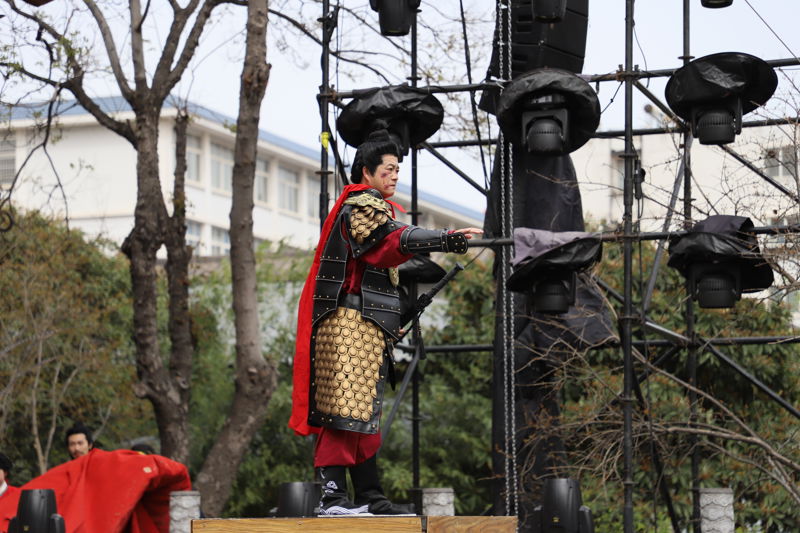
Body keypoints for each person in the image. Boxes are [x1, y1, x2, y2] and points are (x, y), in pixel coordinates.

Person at [289, 128, 482, 516]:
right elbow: (386, 245)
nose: (394, 175)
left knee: (362, 411)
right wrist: (443, 238)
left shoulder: (370, 206)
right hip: (345, 324)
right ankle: (332, 498)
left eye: (397, 169)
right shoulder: (360, 204)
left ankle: (369, 496)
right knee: (342, 409)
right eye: (388, 169)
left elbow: (380, 258)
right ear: (367, 171)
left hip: (362, 324)